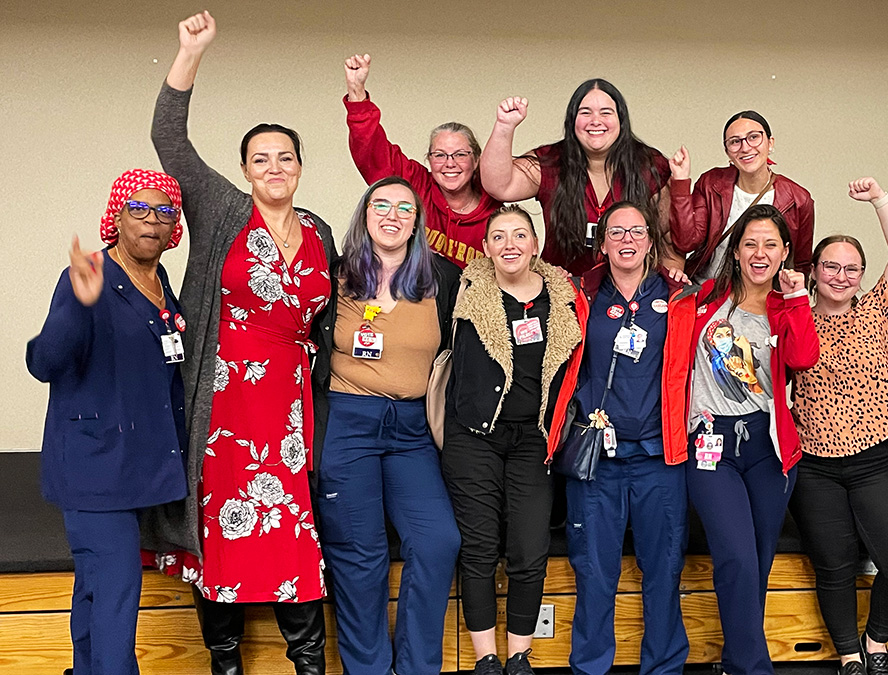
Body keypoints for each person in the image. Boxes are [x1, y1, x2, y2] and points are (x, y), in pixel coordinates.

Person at [140, 12, 336, 674]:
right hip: (220, 407)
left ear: (301, 167)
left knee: (291, 534)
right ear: (245, 169)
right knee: (220, 534)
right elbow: (168, 137)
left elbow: (330, 321)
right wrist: (189, 52)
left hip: (287, 409)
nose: (274, 166)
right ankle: (226, 665)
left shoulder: (319, 232)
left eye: (286, 156)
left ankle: (309, 665)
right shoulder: (222, 209)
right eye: (261, 157)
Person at [27, 170, 188, 675]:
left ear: (174, 229)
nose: (151, 221)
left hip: (139, 469)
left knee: (98, 589)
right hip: (95, 467)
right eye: (138, 209)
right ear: (115, 217)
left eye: (164, 212)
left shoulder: (159, 283)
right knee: (118, 587)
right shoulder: (89, 275)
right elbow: (45, 363)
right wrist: (80, 303)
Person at [312, 177, 462, 675]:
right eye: (381, 205)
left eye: (405, 207)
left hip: (411, 429)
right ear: (364, 214)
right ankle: (370, 669)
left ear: (418, 221)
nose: (392, 214)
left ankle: (417, 668)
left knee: (439, 539)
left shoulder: (441, 278)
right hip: (348, 421)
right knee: (361, 554)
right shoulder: (333, 276)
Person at [440, 205, 586, 675]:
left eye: (519, 235)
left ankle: (520, 655)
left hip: (533, 441)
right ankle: (486, 658)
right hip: (473, 438)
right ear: (485, 247)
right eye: (498, 236)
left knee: (528, 549)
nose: (509, 244)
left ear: (535, 245)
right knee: (479, 549)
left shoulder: (565, 296)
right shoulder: (463, 290)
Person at [791, 178, 888, 675]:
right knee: (834, 566)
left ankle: (876, 641)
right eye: (831, 266)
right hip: (814, 465)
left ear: (863, 275)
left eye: (852, 268)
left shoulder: (878, 311)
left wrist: (880, 200)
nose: (841, 276)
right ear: (814, 271)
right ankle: (849, 654)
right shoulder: (794, 317)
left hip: (877, 459)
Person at [555, 202, 693, 675]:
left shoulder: (679, 295)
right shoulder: (580, 293)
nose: (627, 240)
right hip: (598, 460)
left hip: (661, 458)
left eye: (637, 231)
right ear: (603, 241)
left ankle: (664, 668)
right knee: (594, 574)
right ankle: (590, 667)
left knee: (664, 572)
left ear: (651, 241)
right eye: (617, 232)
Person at [685, 203, 820, 675]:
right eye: (750, 243)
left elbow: (804, 358)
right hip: (710, 445)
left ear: (785, 252)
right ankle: (752, 668)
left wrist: (800, 299)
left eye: (770, 244)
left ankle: (736, 660)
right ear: (735, 250)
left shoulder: (788, 307)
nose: (759, 253)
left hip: (768, 448)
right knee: (737, 558)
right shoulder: (704, 298)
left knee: (758, 564)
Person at [479, 80, 676, 275]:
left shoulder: (650, 164)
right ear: (572, 120)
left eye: (606, 112)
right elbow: (498, 186)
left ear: (621, 121)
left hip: (631, 297)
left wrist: (667, 290)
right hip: (563, 294)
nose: (596, 121)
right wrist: (505, 126)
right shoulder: (551, 161)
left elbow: (669, 238)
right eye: (585, 112)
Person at [342, 54, 502, 268]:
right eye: (440, 155)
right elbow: (373, 151)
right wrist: (357, 92)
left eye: (460, 154)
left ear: (476, 161)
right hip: (413, 296)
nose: (449, 163)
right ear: (428, 160)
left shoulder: (496, 211)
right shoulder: (415, 185)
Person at [669, 110, 815, 281]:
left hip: (763, 299)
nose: (745, 147)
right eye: (735, 142)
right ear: (727, 152)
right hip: (707, 294)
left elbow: (800, 264)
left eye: (754, 137)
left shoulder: (798, 199)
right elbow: (686, 241)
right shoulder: (711, 183)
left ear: (770, 143)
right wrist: (680, 182)